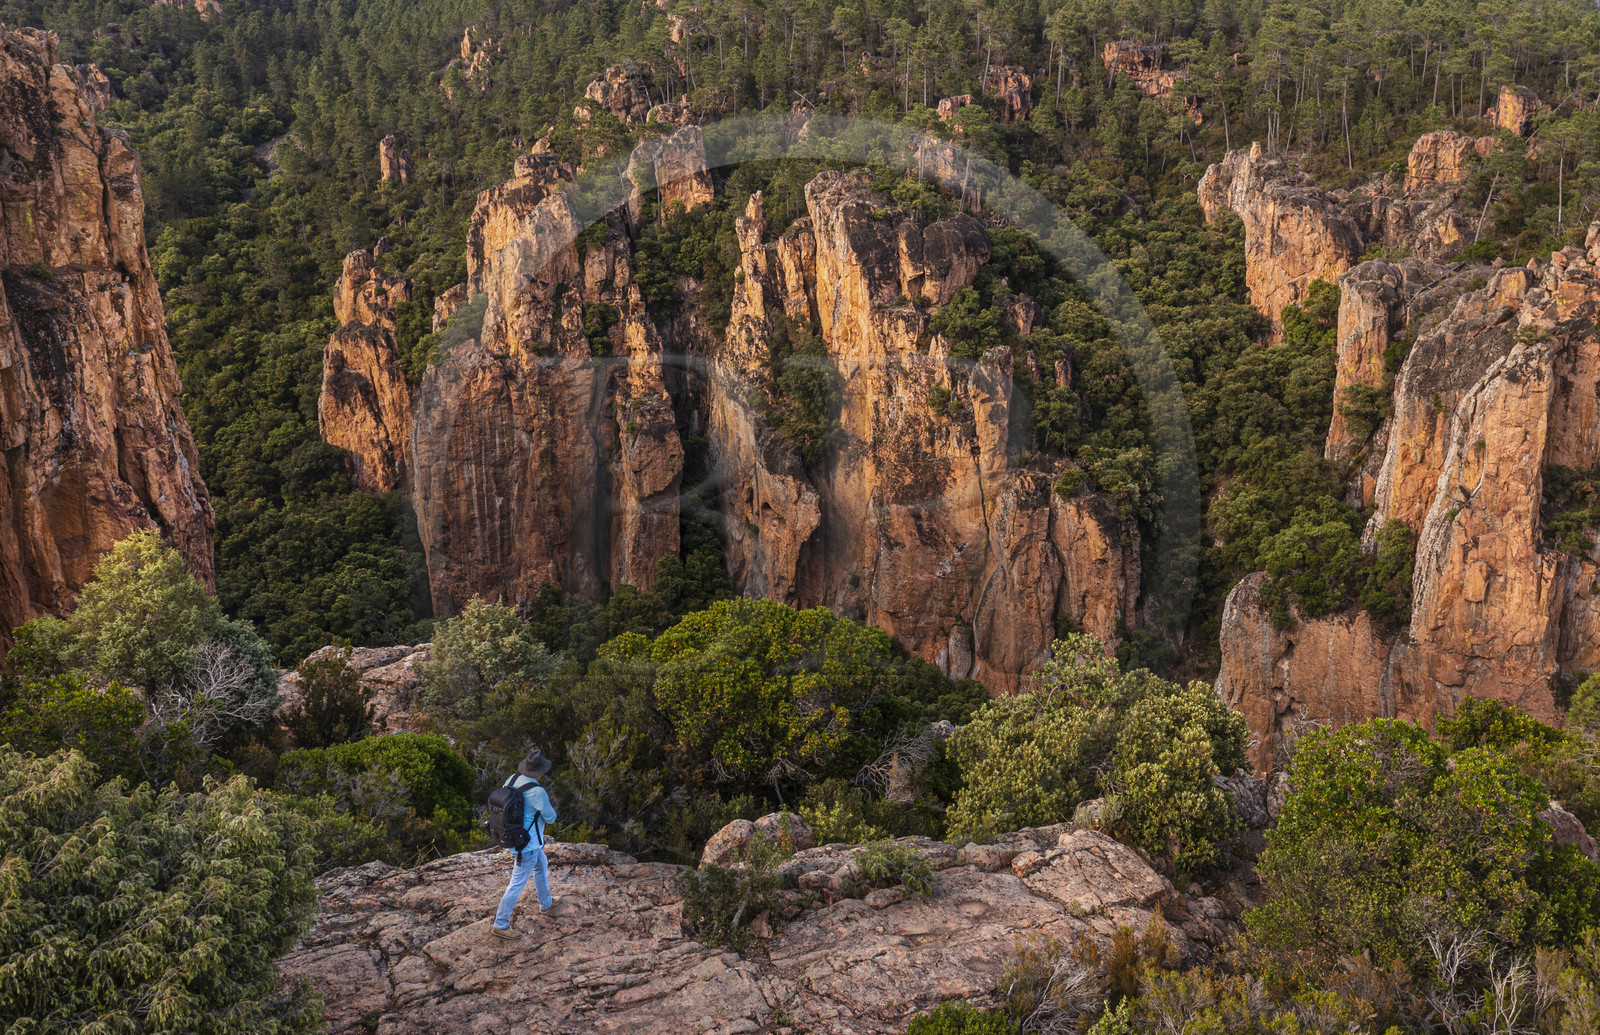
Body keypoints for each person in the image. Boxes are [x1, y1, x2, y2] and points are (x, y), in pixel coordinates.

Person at [490, 747, 566, 940]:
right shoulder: (537, 792)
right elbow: (551, 818)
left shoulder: (512, 779)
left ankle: (546, 903)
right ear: (540, 772)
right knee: (516, 884)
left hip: (515, 839)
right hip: (528, 845)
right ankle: (500, 924)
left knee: (541, 865)